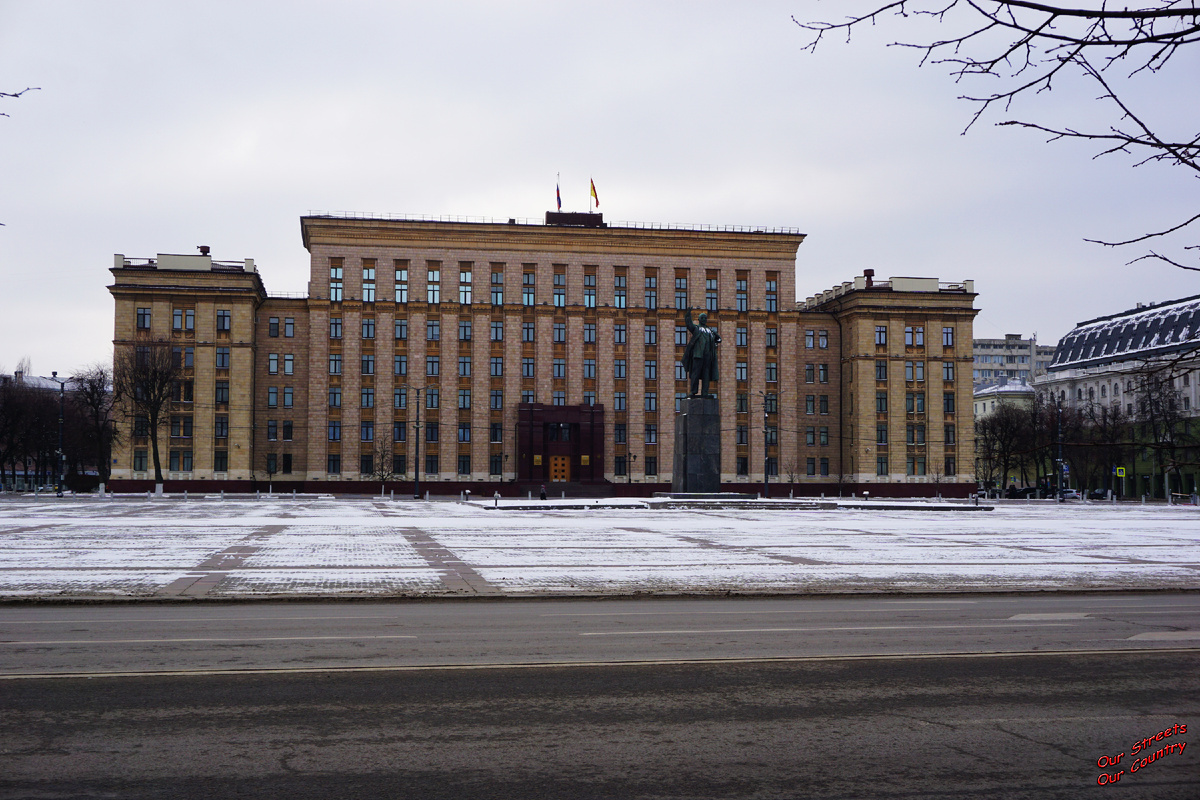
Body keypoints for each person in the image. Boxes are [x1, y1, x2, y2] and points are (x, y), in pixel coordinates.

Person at [683, 307, 721, 397]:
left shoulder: (710, 331)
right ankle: (693, 391)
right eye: (702, 318)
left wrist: (716, 334)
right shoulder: (697, 329)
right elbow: (689, 325)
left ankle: (705, 393)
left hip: (708, 356)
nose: (704, 319)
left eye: (705, 318)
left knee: (706, 375)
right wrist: (688, 315)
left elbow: (719, 340)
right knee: (695, 374)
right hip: (698, 355)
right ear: (699, 319)